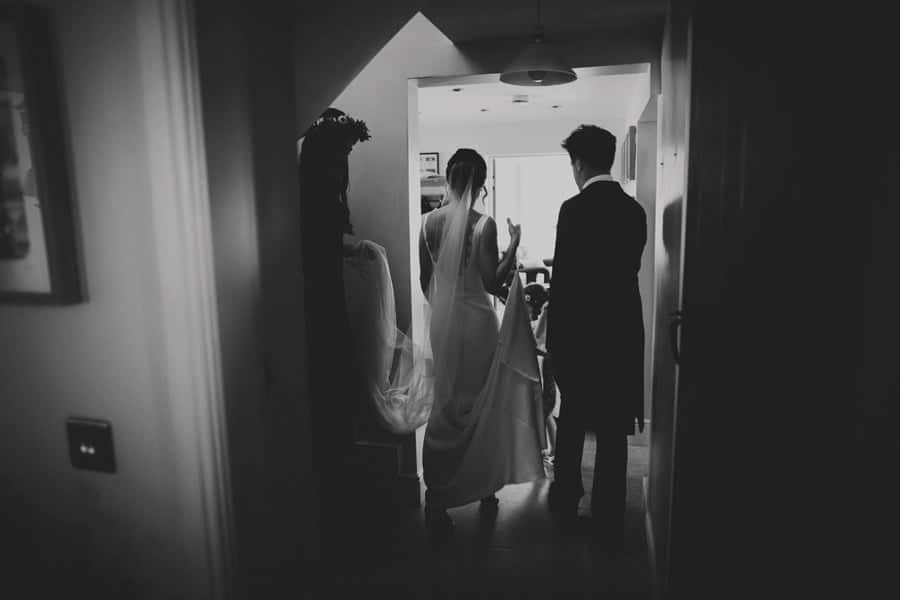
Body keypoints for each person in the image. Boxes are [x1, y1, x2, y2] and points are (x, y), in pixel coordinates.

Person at [418, 148, 547, 538]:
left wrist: (445, 311)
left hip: (444, 324)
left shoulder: (427, 224)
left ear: (449, 179)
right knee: (483, 401)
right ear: (481, 182)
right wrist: (514, 243)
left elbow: (428, 284)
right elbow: (494, 281)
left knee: (447, 404)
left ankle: (437, 498)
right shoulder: (484, 224)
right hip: (478, 322)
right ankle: (485, 489)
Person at [546, 125, 646, 552]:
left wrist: (554, 342)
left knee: (572, 421)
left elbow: (564, 282)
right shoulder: (635, 211)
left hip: (580, 335)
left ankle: (568, 504)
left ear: (580, 163)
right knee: (612, 428)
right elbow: (627, 274)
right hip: (621, 332)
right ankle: (609, 515)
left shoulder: (573, 209)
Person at [297, 107, 371, 538]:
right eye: (340, 157)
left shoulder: (319, 195)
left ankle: (338, 496)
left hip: (327, 302)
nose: (343, 168)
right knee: (329, 390)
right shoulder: (313, 197)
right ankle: (332, 503)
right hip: (316, 307)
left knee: (336, 390)